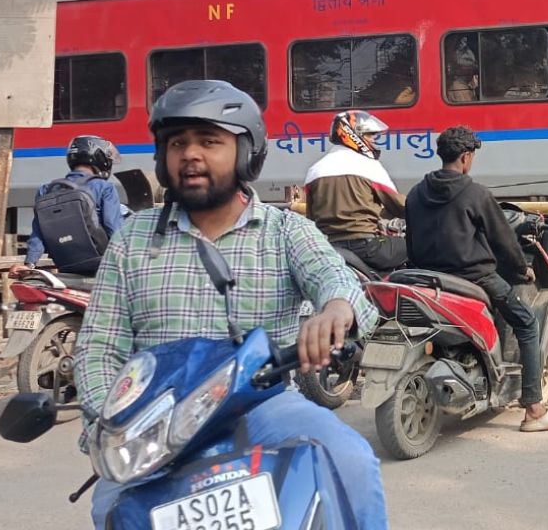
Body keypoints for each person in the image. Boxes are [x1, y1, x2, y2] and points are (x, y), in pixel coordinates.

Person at [73, 80, 387, 529]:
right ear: (163, 158)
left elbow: (334, 278)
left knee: (351, 460)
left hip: (264, 408)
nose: (190, 154)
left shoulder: (284, 231)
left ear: (245, 153)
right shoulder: (132, 240)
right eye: (177, 142)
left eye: (210, 141)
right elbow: (100, 347)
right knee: (113, 509)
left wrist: (337, 309)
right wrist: (113, 425)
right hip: (157, 422)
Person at [405, 125, 548, 433]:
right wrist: (523, 270)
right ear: (466, 158)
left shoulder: (416, 193)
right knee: (527, 323)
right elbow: (504, 240)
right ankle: (534, 410)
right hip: (474, 279)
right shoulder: (475, 193)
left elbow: (411, 243)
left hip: (427, 281)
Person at [305, 110, 407, 273]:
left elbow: (310, 216)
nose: (373, 141)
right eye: (370, 136)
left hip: (328, 249)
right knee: (414, 245)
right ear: (353, 135)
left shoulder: (314, 171)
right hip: (367, 248)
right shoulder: (368, 166)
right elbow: (401, 207)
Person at [12, 135, 124, 277]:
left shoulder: (46, 190)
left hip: (66, 265)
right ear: (99, 158)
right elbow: (113, 227)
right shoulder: (104, 187)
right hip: (100, 264)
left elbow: (38, 232)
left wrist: (29, 264)